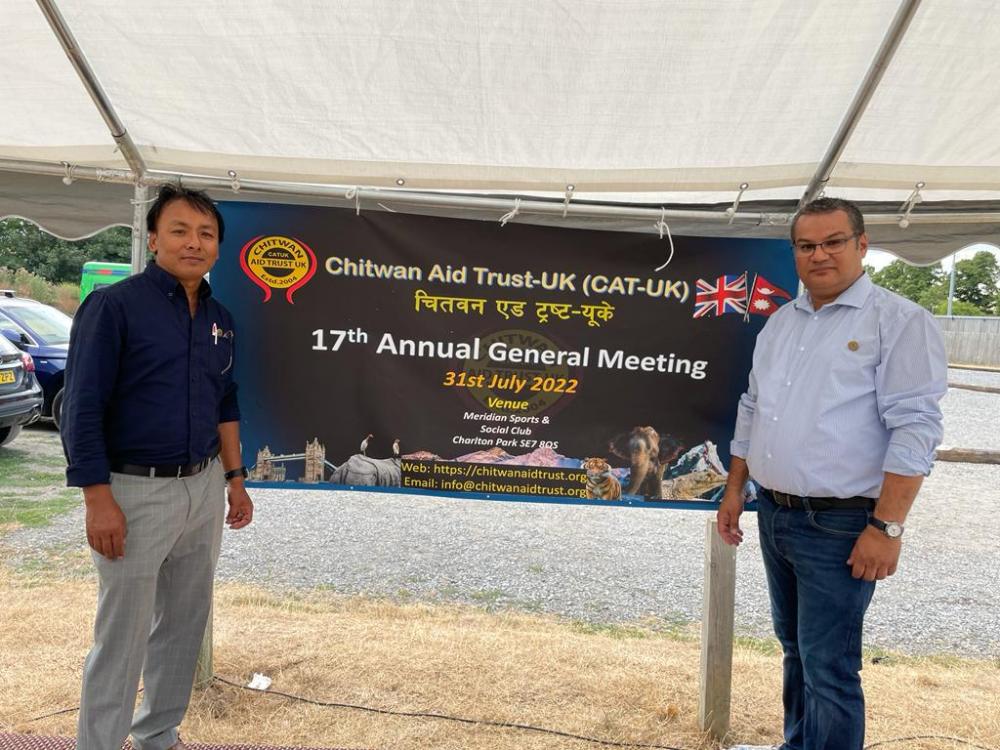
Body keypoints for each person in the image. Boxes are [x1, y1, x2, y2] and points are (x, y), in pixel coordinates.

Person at [717, 197, 947, 750]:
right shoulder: (780, 323)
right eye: (806, 245)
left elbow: (915, 428)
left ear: (862, 245)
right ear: (794, 252)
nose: (819, 255)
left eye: (833, 242)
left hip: (841, 526)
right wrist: (735, 487)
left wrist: (886, 527)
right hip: (775, 513)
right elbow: (753, 407)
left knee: (830, 668)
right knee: (796, 651)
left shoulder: (898, 322)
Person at [61, 184, 254, 750]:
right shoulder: (114, 307)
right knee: (121, 635)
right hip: (132, 492)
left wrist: (235, 481)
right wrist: (97, 498)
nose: (194, 243)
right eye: (180, 231)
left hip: (203, 487)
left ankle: (158, 735)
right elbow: (81, 406)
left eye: (206, 234)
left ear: (217, 247)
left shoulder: (219, 319)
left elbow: (225, 403)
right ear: (152, 239)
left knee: (184, 623)